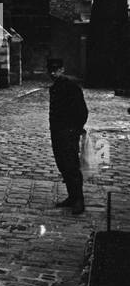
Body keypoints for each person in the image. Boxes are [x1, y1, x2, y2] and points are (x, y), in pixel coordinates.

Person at [48, 58, 87, 215]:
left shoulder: (71, 86)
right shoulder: (55, 87)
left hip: (68, 133)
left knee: (71, 165)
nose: (53, 72)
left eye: (56, 69)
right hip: (57, 133)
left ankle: (79, 200)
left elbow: (82, 111)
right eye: (50, 69)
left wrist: (76, 129)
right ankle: (72, 196)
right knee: (62, 164)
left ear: (62, 69)